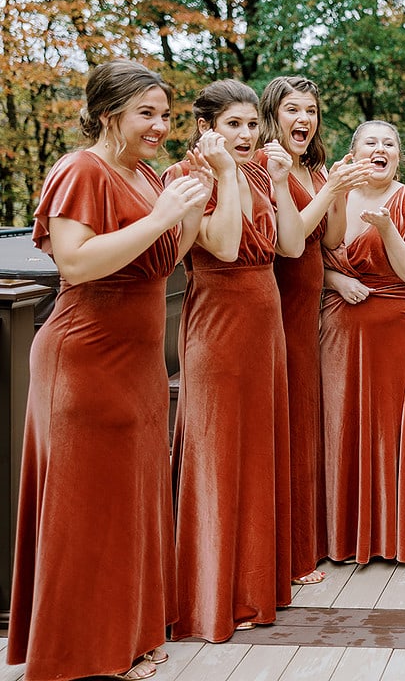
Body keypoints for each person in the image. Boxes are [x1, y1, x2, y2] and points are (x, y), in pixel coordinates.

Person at [8, 60, 209, 680]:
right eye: (146, 113)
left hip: (139, 359)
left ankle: (130, 631)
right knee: (87, 503)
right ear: (107, 112)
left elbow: (170, 254)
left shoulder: (146, 174)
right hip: (86, 355)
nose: (160, 125)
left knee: (132, 499)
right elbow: (75, 261)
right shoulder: (80, 169)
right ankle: (83, 652)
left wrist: (194, 201)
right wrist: (160, 216)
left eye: (166, 114)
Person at [167, 79, 305, 642]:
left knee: (257, 446)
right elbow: (223, 246)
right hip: (217, 322)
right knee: (218, 447)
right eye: (234, 125)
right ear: (206, 129)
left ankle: (254, 585)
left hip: (263, 318)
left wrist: (278, 182)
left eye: (252, 124)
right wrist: (223, 174)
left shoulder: (256, 172)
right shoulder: (185, 178)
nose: (247, 135)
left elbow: (290, 247)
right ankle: (207, 595)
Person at [259, 76, 373, 586]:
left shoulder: (315, 167)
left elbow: (330, 236)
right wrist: (329, 189)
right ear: (273, 114)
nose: (304, 119)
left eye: (311, 110)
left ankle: (300, 546)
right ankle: (277, 553)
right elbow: (290, 239)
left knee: (302, 422)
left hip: (308, 308)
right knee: (279, 423)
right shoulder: (266, 167)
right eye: (292, 110)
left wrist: (339, 190)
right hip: (275, 302)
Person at [321, 120, 405, 564]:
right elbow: (303, 259)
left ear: (399, 156)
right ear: (352, 154)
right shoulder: (333, 196)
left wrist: (387, 228)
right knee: (340, 423)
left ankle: (387, 537)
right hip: (338, 326)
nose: (381, 148)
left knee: (390, 427)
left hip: (397, 325)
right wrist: (334, 279)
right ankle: (340, 537)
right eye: (371, 141)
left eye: (389, 143)